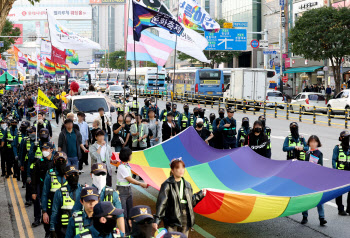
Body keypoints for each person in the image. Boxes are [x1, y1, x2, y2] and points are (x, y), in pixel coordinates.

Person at [153, 158, 206, 237]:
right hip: (171, 218)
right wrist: (156, 221)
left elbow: (190, 203)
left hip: (185, 217)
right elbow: (162, 204)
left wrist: (200, 195)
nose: (181, 170)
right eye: (178, 168)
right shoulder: (167, 184)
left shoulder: (188, 185)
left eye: (183, 168)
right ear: (172, 170)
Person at [71, 163, 125, 235]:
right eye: (97, 174)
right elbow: (75, 214)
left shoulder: (113, 193)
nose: (100, 176)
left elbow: (120, 217)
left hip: (107, 231)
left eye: (103, 174)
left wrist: (123, 234)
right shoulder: (84, 192)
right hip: (87, 230)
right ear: (91, 175)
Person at [114, 147, 148, 235]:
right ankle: (125, 232)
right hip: (122, 191)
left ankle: (130, 230)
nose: (131, 156)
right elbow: (130, 180)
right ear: (127, 156)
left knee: (130, 211)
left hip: (128, 190)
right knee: (124, 213)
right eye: (130, 155)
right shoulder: (122, 167)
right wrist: (141, 184)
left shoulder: (126, 165)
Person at [300, 135, 327, 226]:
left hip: (317, 178)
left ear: (318, 143)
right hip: (307, 178)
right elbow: (304, 166)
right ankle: (304, 216)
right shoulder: (307, 153)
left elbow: (321, 166)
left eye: (315, 142)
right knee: (305, 198)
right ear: (309, 143)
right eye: (311, 142)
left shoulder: (319, 153)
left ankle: (322, 218)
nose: (313, 143)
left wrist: (315, 166)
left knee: (319, 198)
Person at [50, 165, 82, 238]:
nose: (74, 176)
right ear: (65, 176)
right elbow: (55, 212)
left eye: (76, 174)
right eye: (71, 175)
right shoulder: (59, 192)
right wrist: (52, 228)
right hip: (64, 230)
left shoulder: (83, 190)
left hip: (80, 230)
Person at [41, 152, 68, 238]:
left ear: (66, 162)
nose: (61, 162)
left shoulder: (70, 175)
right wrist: (44, 212)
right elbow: (45, 194)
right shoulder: (50, 174)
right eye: (58, 160)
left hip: (65, 214)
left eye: (62, 160)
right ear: (54, 162)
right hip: (51, 211)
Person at [31, 142, 55, 227]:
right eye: (43, 149)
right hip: (41, 185)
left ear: (51, 150)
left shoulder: (55, 162)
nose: (44, 151)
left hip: (52, 186)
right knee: (37, 200)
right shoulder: (39, 162)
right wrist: (34, 191)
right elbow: (34, 178)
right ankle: (37, 218)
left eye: (46, 149)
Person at [332, 131, 350, 216]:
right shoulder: (337, 148)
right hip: (340, 172)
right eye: (346, 137)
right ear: (341, 138)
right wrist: (335, 171)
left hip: (349, 172)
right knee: (339, 192)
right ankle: (340, 209)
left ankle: (349, 208)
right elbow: (334, 160)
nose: (347, 139)